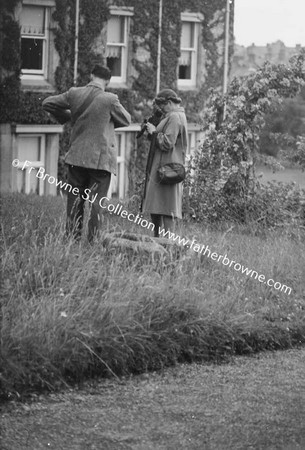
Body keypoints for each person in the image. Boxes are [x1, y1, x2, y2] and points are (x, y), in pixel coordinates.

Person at [42, 65, 131, 242]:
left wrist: (69, 115)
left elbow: (47, 103)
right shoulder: (110, 99)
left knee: (74, 201)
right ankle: (92, 241)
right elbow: (127, 120)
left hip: (76, 157)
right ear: (108, 81)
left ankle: (72, 239)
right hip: (100, 161)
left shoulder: (74, 93)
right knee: (97, 204)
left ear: (91, 75)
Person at [141, 89, 188, 237]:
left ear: (168, 103)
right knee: (160, 205)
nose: (160, 109)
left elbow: (168, 143)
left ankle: (167, 244)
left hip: (167, 168)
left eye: (162, 106)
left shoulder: (174, 117)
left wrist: (154, 132)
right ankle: (159, 241)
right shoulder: (175, 115)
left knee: (167, 207)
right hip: (166, 166)